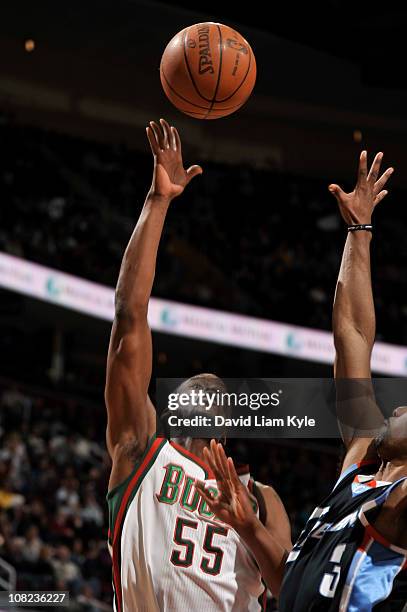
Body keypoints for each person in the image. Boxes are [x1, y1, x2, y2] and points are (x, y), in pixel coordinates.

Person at [196, 151, 407, 610]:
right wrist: (359, 232)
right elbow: (351, 333)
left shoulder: (400, 504)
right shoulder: (360, 464)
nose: (396, 409)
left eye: (406, 411)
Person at [104, 118, 291, 611]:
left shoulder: (262, 498)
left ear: (228, 428)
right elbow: (129, 318)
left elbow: (295, 591)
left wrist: (248, 525)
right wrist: (158, 201)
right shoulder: (140, 449)